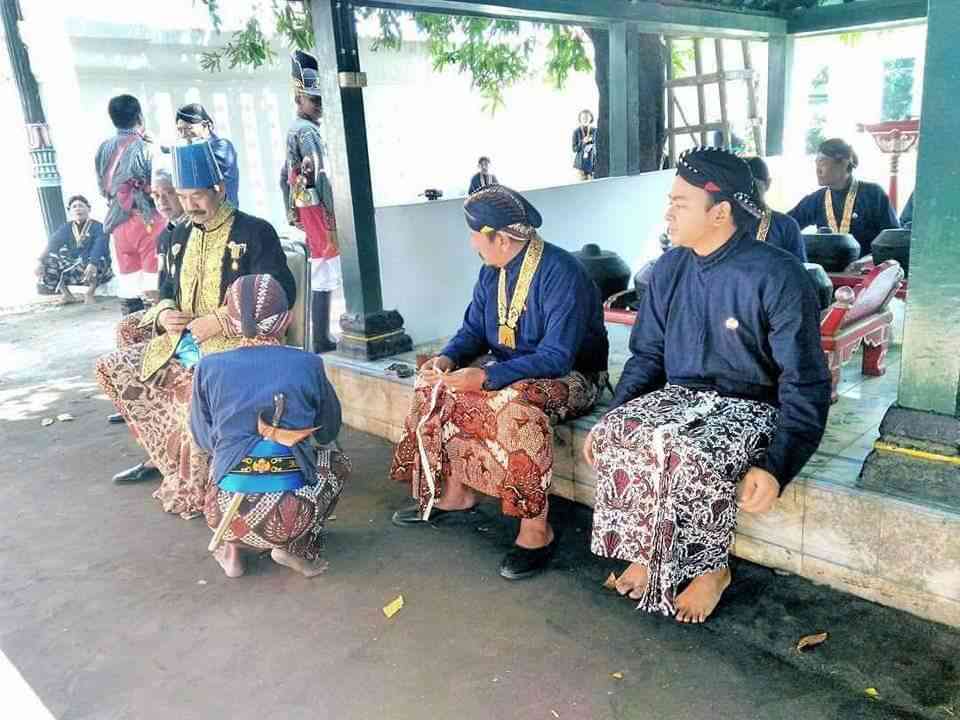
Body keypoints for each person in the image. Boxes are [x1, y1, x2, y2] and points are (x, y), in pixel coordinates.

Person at [585, 147, 831, 623]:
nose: (668, 213)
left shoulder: (778, 275)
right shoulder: (667, 270)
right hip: (682, 397)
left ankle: (711, 569)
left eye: (680, 203)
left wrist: (778, 465)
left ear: (719, 213)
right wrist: (615, 415)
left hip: (752, 405)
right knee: (619, 432)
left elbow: (806, 381)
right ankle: (647, 549)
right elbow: (647, 356)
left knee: (690, 449)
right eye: (670, 202)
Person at [390, 185, 610, 580]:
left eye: (475, 235)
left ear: (502, 239)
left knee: (516, 408)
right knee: (434, 387)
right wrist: (447, 359)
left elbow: (557, 357)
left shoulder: (563, 273)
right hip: (509, 367)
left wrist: (487, 376)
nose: (472, 243)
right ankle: (456, 493)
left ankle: (536, 531)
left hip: (574, 375)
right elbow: (473, 330)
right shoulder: (491, 271)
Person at [95, 141, 296, 518]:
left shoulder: (255, 232)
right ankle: (168, 459)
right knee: (111, 366)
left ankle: (204, 483)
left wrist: (220, 320)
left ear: (218, 189)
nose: (189, 206)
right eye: (182, 197)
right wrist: (165, 313)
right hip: (184, 342)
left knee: (192, 399)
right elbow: (167, 288)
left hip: (237, 347)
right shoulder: (178, 236)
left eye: (197, 196)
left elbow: (279, 292)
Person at [191, 274, 349, 578]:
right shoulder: (307, 363)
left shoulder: (207, 367)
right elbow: (329, 430)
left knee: (221, 461)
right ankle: (295, 547)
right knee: (339, 463)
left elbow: (203, 438)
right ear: (287, 320)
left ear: (231, 324)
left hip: (222, 513)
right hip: (290, 516)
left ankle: (233, 553)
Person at [281, 50, 341, 354]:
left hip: (306, 206)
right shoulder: (307, 132)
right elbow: (322, 177)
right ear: (299, 98)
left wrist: (291, 211)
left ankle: (320, 336)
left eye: (321, 100)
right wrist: (332, 220)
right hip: (318, 207)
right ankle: (321, 338)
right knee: (324, 271)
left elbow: (284, 177)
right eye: (313, 100)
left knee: (321, 270)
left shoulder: (296, 129)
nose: (319, 105)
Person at [95, 94, 165, 316]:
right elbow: (160, 185)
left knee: (129, 280)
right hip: (148, 219)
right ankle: (157, 328)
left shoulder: (103, 148)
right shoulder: (147, 148)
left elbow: (102, 186)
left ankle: (131, 327)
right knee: (155, 280)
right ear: (139, 117)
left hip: (117, 221)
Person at [788, 138, 899, 258]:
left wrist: (866, 261)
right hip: (828, 267)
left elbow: (893, 241)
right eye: (816, 164)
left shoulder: (873, 194)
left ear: (844, 163)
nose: (818, 170)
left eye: (822, 163)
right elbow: (785, 226)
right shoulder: (816, 199)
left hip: (867, 267)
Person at [35, 194, 112, 304]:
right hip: (75, 265)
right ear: (70, 211)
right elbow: (53, 243)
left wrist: (93, 262)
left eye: (81, 206)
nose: (77, 209)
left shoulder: (99, 227)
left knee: (97, 261)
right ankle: (67, 294)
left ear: (88, 209)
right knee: (48, 260)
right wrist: (40, 260)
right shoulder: (66, 227)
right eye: (74, 207)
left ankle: (90, 293)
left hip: (95, 265)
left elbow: (99, 247)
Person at [175, 103, 240, 208]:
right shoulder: (190, 149)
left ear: (205, 125)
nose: (183, 134)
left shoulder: (222, 146)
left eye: (188, 128)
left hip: (225, 214)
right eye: (180, 130)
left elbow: (201, 169)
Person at [744, 157, 807, 261]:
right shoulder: (723, 225)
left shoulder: (786, 226)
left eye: (754, 186)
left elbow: (799, 268)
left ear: (768, 184)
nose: (748, 192)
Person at [572, 110, 597, 181]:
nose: (585, 119)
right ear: (580, 119)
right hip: (580, 165)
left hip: (592, 163)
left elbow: (599, 145)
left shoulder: (595, 130)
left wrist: (592, 144)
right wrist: (583, 142)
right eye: (583, 118)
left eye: (587, 117)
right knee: (581, 184)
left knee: (593, 184)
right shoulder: (576, 131)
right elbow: (574, 149)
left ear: (591, 118)